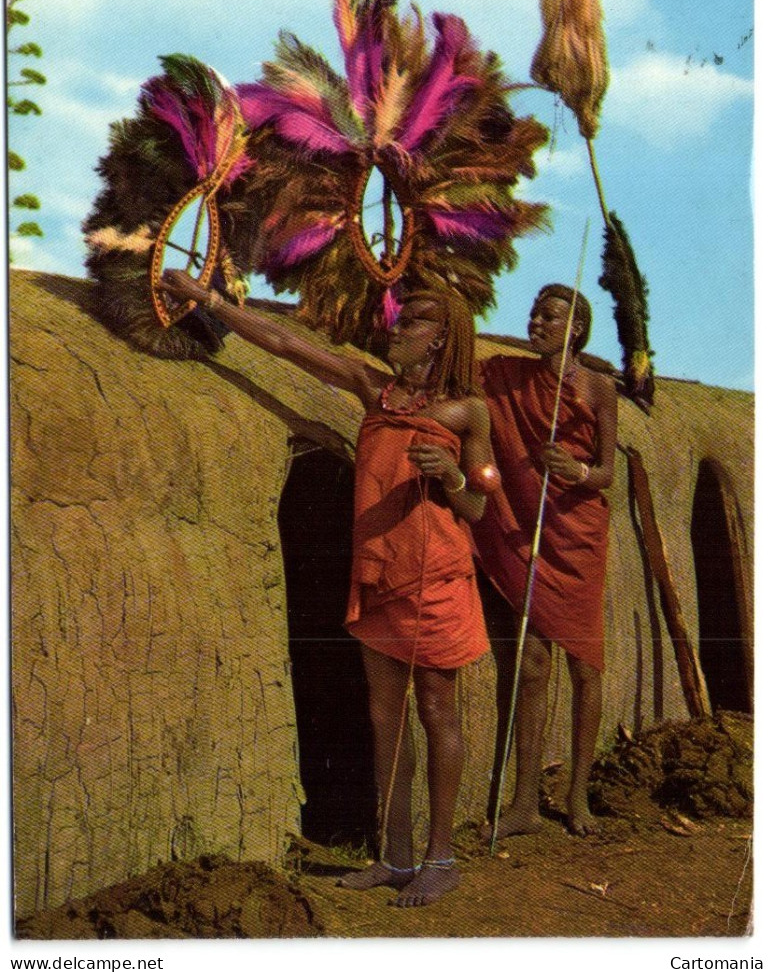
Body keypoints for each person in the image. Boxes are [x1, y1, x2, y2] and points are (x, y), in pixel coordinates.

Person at [159, 270, 496, 906]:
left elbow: (481, 503)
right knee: (384, 718)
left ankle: (441, 858)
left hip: (436, 579)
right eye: (400, 319)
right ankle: (394, 855)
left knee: (436, 710)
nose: (396, 329)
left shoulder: (469, 411)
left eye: (413, 322)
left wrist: (452, 473)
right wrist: (210, 303)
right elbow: (290, 347)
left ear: (440, 339)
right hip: (378, 577)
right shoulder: (375, 389)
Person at [472, 284, 617, 838]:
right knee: (531, 661)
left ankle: (578, 800)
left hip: (576, 533)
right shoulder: (509, 375)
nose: (537, 321)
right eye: (533, 312)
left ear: (575, 329)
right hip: (529, 531)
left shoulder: (600, 388)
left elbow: (606, 471)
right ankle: (523, 804)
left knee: (585, 664)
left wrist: (575, 471)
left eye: (550, 315)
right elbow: (465, 370)